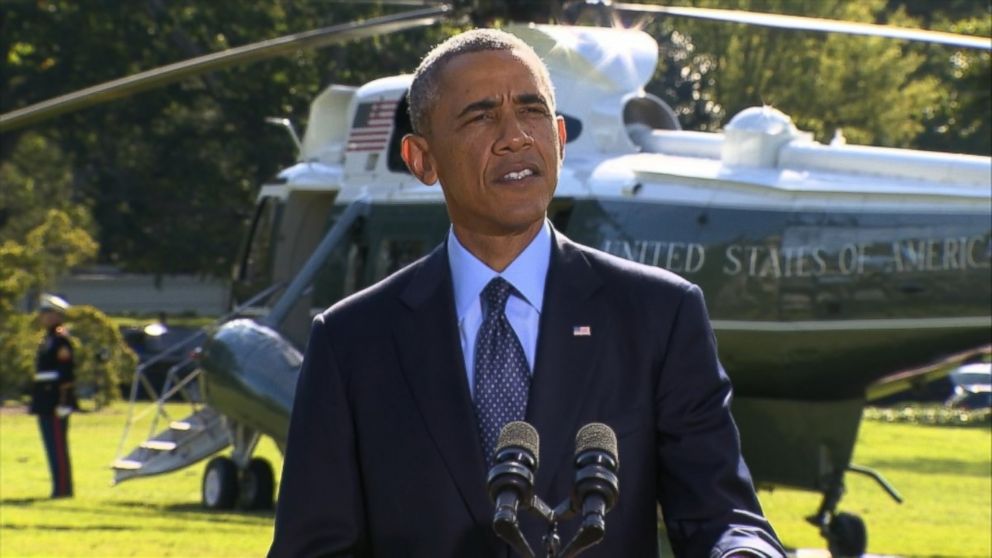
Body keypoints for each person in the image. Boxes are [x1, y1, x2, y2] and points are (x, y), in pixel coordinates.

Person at [270, 29, 785, 557]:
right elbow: (312, 547)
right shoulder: (351, 340)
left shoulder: (660, 315)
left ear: (560, 139)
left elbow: (723, 515)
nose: (515, 136)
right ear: (422, 159)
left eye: (532, 111)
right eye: (480, 115)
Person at [29, 293, 78, 498]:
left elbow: (66, 375)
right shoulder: (47, 340)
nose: (42, 317)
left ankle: (63, 489)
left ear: (57, 315)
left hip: (56, 402)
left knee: (58, 447)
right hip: (44, 401)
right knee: (51, 447)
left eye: (46, 313)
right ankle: (57, 487)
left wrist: (64, 402)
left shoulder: (61, 340)